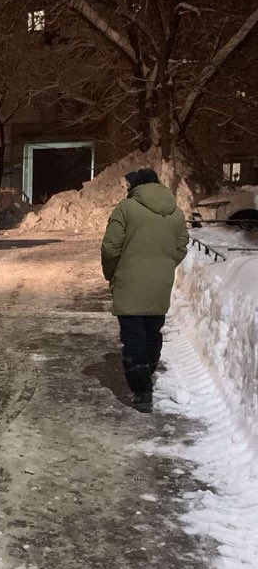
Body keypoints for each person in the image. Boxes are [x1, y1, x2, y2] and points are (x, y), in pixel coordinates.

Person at [100, 168, 189, 413]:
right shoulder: (176, 213)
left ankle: (141, 390)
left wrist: (112, 272)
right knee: (152, 329)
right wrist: (164, 264)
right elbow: (181, 246)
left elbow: (110, 247)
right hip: (160, 281)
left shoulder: (125, 209)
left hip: (129, 280)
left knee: (133, 335)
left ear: (136, 186)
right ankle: (147, 369)